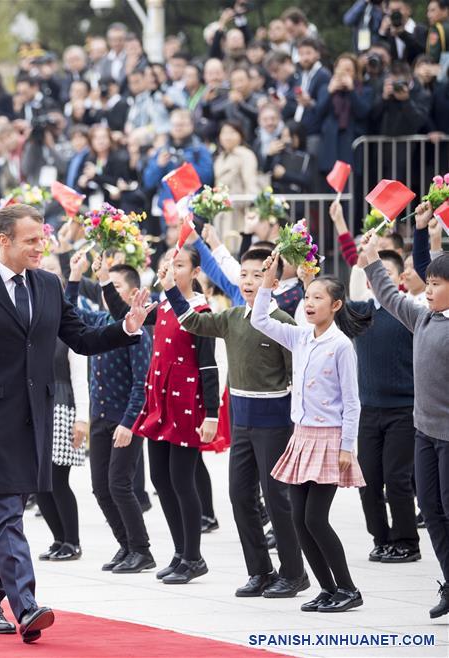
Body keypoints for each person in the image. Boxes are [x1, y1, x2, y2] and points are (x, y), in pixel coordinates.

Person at [0, 203, 150, 643]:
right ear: (4, 241)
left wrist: (125, 328)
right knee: (7, 511)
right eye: (32, 240)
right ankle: (27, 606)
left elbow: (82, 339)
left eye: (43, 238)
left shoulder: (50, 285)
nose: (41, 247)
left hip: (35, 417)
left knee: (4, 515)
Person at [169, 248, 309, 598]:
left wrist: (298, 427)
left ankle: (294, 573)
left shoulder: (284, 324)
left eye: (257, 275)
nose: (248, 281)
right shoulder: (230, 317)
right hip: (243, 420)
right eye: (244, 275)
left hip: (274, 421)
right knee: (240, 495)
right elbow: (192, 322)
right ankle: (259, 571)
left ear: (274, 282)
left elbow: (297, 379)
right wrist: (172, 289)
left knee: (277, 498)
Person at [251, 255, 369, 613]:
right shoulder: (300, 337)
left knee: (315, 519)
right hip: (301, 437)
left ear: (336, 305)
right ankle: (328, 589)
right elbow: (259, 319)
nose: (309, 302)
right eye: (308, 296)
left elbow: (352, 401)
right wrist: (268, 281)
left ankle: (349, 589)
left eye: (318, 298)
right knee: (298, 521)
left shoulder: (342, 346)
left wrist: (348, 446)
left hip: (330, 439)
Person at [361, 233, 449, 620]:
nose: (427, 290)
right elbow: (391, 298)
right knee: (429, 508)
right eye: (427, 283)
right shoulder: (423, 317)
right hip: (423, 432)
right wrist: (369, 263)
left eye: (436, 284)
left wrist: (430, 237)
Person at [130, 248, 219, 585]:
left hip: (186, 403)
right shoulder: (164, 305)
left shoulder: (200, 309)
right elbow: (128, 317)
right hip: (159, 401)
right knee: (160, 480)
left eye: (179, 265)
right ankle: (181, 552)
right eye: (168, 263)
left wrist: (211, 413)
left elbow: (209, 365)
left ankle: (194, 556)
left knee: (183, 481)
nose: (171, 270)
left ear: (195, 271)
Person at [68, 254, 153, 573]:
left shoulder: (138, 331)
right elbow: (70, 315)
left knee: (120, 484)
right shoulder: (101, 323)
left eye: (115, 286)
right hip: (101, 417)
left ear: (132, 294)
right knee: (100, 487)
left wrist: (129, 423)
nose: (108, 291)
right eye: (106, 285)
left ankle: (142, 550)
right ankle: (125, 545)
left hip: (125, 419)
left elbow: (141, 382)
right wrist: (75, 276)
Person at [350, 248, 419, 564]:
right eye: (372, 274)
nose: (378, 280)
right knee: (368, 480)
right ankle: (381, 538)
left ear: (400, 279)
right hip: (368, 410)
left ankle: (407, 541)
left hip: (403, 410)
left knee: (397, 478)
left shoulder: (409, 312)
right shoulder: (359, 312)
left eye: (385, 274)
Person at [34, 255, 90, 562]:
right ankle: (58, 539)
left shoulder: (70, 330)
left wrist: (82, 418)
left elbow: (80, 377)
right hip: (38, 408)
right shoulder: (33, 329)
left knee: (58, 479)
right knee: (39, 481)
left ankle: (72, 541)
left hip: (64, 408)